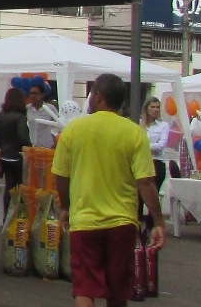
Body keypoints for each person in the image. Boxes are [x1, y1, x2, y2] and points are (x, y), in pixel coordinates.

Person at [53, 74, 164, 307]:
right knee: (118, 290)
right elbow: (146, 182)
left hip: (84, 220)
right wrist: (158, 222)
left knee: (84, 287)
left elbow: (61, 176)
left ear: (98, 96)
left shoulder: (73, 130)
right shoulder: (135, 133)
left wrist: (65, 207)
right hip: (122, 221)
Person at [0, 88, 31, 213]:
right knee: (21, 187)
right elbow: (23, 137)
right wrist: (30, 148)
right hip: (19, 156)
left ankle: (7, 215)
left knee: (9, 186)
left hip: (5, 156)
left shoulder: (0, 115)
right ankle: (19, 215)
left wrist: (3, 146)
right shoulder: (20, 117)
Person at [140, 96, 169, 196]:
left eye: (157, 107)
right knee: (140, 196)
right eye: (152, 107)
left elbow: (161, 145)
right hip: (142, 162)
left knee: (153, 195)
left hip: (157, 162)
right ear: (146, 108)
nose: (155, 110)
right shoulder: (140, 123)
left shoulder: (163, 125)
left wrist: (144, 146)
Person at [26, 83, 59, 149]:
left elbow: (58, 126)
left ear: (42, 95)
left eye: (35, 93)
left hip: (47, 147)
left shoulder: (50, 108)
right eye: (31, 93)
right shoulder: (27, 108)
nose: (32, 96)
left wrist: (55, 142)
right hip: (31, 147)